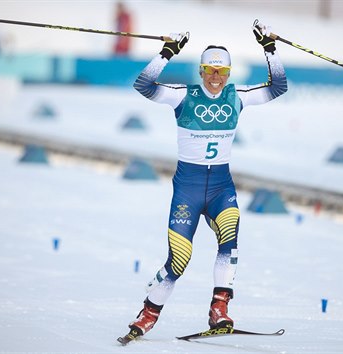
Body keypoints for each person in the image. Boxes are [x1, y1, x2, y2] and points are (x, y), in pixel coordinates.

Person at [118, 21, 287, 343]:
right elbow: (143, 84)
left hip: (222, 187)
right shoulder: (182, 96)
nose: (215, 77)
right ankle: (149, 313)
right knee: (179, 261)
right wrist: (167, 52)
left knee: (230, 241)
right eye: (210, 70)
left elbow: (278, 86)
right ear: (200, 71)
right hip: (189, 189)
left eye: (222, 72)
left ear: (229, 74)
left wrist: (269, 48)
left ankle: (219, 308)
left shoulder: (239, 96)